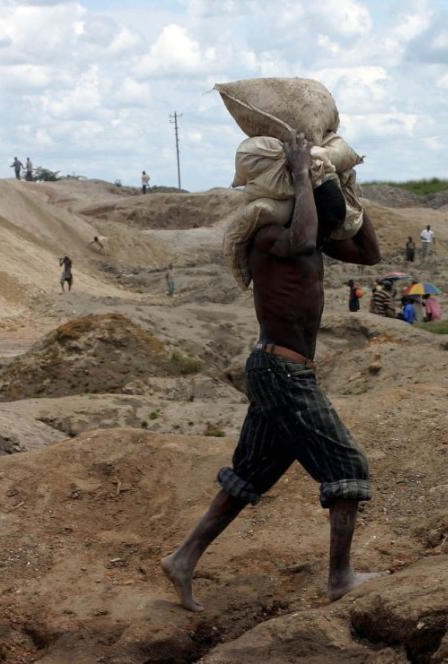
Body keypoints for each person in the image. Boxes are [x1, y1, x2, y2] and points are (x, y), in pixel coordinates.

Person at [162, 132, 382, 612]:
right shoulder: (267, 233)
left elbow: (369, 253)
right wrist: (303, 172)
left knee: (251, 474)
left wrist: (343, 186)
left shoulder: (308, 234)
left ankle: (182, 559)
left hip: (281, 370)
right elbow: (302, 236)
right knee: (347, 468)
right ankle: (341, 578)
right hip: (281, 371)